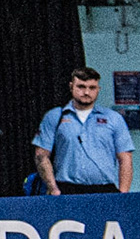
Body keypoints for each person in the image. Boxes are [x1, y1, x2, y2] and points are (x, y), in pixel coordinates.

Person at [31, 68, 133, 197]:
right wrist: (53, 188)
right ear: (71, 86)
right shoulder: (55, 116)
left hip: (105, 189)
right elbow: (41, 154)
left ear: (98, 89)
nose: (86, 92)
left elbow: (125, 158)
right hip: (67, 189)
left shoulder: (113, 118)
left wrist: (123, 194)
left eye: (92, 88)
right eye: (81, 87)